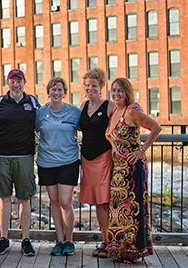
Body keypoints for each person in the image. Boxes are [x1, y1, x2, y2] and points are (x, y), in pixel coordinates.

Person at [0, 69, 40, 256]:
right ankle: (4, 239)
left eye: (19, 81)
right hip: (1, 157)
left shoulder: (31, 102)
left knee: (24, 199)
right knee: (4, 199)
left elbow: (44, 121)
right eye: (12, 81)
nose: (16, 85)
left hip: (24, 157)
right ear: (8, 83)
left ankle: (25, 240)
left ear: (25, 82)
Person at [106, 78, 161, 264]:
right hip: (117, 170)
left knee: (132, 210)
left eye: (120, 90)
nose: (116, 94)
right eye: (113, 90)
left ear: (127, 92)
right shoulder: (115, 111)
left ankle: (133, 251)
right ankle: (119, 249)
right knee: (117, 209)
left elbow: (156, 127)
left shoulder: (131, 111)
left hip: (132, 169)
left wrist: (141, 151)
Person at [35, 77, 81, 256]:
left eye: (60, 90)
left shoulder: (74, 112)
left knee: (65, 202)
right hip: (46, 163)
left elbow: (88, 127)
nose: (56, 92)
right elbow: (33, 129)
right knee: (54, 202)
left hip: (68, 162)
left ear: (65, 93)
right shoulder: (41, 113)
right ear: (48, 92)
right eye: (53, 89)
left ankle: (70, 240)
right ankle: (59, 240)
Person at [78, 68, 115, 258]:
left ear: (101, 87)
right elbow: (71, 125)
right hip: (87, 160)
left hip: (103, 158)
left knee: (103, 202)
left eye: (94, 85)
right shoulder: (83, 105)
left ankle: (108, 242)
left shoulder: (109, 106)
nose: (90, 88)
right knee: (97, 202)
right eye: (87, 85)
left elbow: (123, 124)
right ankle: (106, 240)